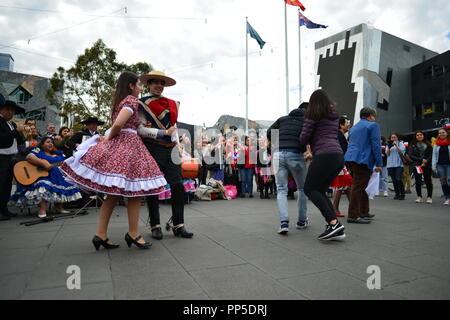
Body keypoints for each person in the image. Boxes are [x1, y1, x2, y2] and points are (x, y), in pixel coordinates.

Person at [61, 71, 168, 250]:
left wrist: (124, 130)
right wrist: (110, 136)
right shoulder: (132, 101)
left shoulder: (121, 102)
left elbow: (122, 123)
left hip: (123, 144)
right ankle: (133, 233)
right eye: (139, 85)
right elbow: (118, 124)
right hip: (129, 146)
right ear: (131, 86)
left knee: (113, 194)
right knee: (135, 192)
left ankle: (101, 234)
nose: (141, 89)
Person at [137, 70, 193, 240]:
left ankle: (179, 225)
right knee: (153, 187)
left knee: (177, 185)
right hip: (152, 148)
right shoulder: (141, 103)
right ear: (148, 84)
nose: (159, 86)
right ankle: (155, 225)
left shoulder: (171, 104)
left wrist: (178, 146)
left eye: (161, 83)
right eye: (155, 82)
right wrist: (163, 133)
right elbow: (140, 129)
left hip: (172, 149)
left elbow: (173, 128)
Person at [300, 90, 346, 240]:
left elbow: (303, 138)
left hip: (324, 154)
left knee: (309, 188)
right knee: (320, 190)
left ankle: (334, 224)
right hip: (338, 156)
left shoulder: (312, 114)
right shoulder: (333, 116)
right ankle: (334, 225)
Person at [9, 137, 82, 217]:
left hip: (58, 176)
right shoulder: (38, 151)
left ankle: (59, 207)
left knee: (66, 182)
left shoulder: (59, 153)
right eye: (48, 142)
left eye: (52, 142)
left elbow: (66, 163)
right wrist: (43, 163)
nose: (50, 143)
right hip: (43, 177)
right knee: (43, 184)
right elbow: (29, 157)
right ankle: (42, 209)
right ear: (42, 144)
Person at [268, 102, 309, 235]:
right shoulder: (305, 121)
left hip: (278, 154)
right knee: (302, 188)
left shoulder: (282, 119)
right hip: (296, 154)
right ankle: (301, 221)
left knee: (281, 189)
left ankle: (284, 223)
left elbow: (269, 132)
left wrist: (276, 142)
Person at [344, 107, 382, 224]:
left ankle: (364, 211)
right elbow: (376, 145)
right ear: (370, 116)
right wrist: (379, 163)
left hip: (350, 158)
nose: (374, 118)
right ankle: (353, 215)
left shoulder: (354, 128)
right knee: (358, 187)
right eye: (374, 116)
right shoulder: (373, 125)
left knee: (359, 185)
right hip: (363, 159)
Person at [0, 98, 25, 220]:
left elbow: (19, 141)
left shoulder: (12, 124)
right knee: (1, 184)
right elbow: (2, 139)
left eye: (13, 111)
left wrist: (21, 133)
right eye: (8, 109)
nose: (11, 113)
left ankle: (4, 209)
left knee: (7, 184)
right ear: (2, 109)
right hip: (1, 157)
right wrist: (16, 131)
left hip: (11, 157)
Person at [331, 116, 352, 217]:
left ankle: (354, 208)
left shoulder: (340, 135)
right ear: (341, 125)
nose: (349, 124)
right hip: (339, 163)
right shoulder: (339, 135)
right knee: (342, 185)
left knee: (346, 185)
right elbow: (343, 151)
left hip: (338, 163)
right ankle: (335, 209)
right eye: (347, 122)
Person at [408, 131, 433, 204]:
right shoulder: (412, 145)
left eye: (420, 135)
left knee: (428, 181)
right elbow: (411, 155)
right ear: (415, 136)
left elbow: (431, 154)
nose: (419, 136)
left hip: (427, 165)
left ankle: (429, 197)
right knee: (418, 181)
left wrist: (426, 161)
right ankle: (419, 196)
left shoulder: (428, 144)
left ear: (423, 136)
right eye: (417, 135)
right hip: (417, 165)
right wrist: (421, 160)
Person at [432, 128, 450, 205]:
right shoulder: (437, 144)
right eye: (439, 133)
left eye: (443, 132)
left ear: (447, 133)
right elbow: (434, 155)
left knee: (449, 181)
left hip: (449, 165)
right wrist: (433, 166)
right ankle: (447, 198)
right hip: (440, 165)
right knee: (443, 182)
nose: (441, 134)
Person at [386, 133, 406, 200]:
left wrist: (396, 145)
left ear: (397, 138)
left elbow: (401, 151)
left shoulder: (400, 143)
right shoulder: (388, 144)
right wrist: (389, 147)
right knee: (394, 180)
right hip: (390, 165)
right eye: (392, 137)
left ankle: (402, 193)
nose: (393, 139)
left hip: (399, 164)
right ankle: (397, 194)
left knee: (398, 179)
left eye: (395, 137)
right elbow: (387, 153)